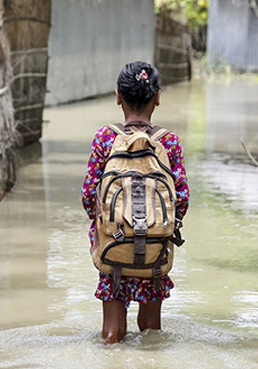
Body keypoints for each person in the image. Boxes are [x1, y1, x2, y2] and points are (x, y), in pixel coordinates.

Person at [81, 61, 190, 344]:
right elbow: (183, 200)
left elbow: (88, 195)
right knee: (151, 332)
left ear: (118, 96)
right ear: (157, 98)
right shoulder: (169, 143)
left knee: (112, 333)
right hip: (155, 248)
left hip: (113, 244)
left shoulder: (105, 138)